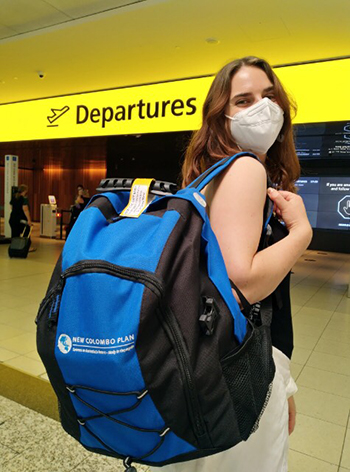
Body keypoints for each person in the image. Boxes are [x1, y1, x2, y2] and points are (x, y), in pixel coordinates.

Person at [154, 57, 313, 472]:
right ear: (220, 117)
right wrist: (300, 235)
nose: (262, 107)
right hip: (238, 368)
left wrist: (286, 381)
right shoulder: (245, 169)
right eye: (243, 100)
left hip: (207, 361)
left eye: (269, 96)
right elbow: (241, 284)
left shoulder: (211, 174)